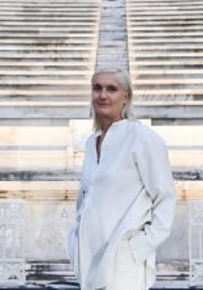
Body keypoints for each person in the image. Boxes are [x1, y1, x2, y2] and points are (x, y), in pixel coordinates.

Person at [66, 68, 177, 290]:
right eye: (97, 88)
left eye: (112, 89)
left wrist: (139, 247)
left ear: (126, 97)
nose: (102, 95)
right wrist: (75, 237)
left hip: (124, 259)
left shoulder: (143, 139)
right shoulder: (91, 141)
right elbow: (87, 197)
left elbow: (165, 197)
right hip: (89, 256)